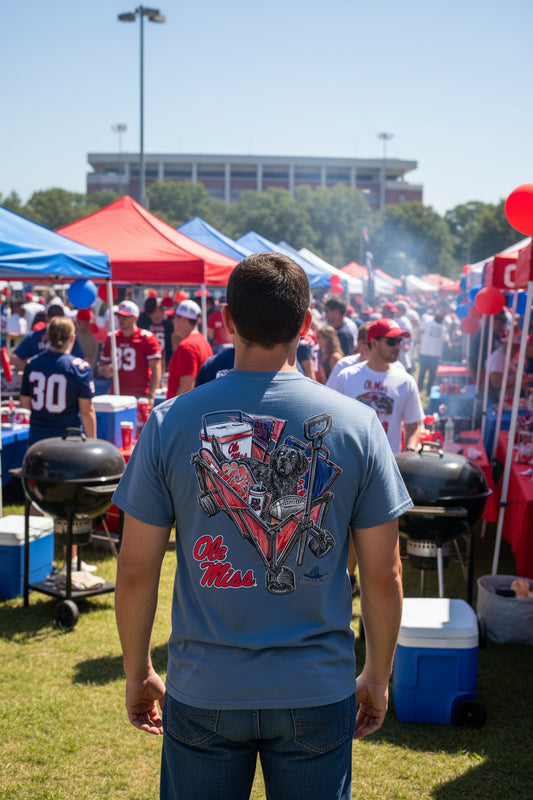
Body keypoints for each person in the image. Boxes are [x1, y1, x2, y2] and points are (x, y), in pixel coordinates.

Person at [113, 251, 411, 800]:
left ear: (227, 319)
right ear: (306, 323)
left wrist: (137, 672)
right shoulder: (360, 425)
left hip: (204, 685)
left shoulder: (168, 422)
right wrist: (376, 675)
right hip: (315, 686)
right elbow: (384, 573)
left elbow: (134, 569)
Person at [20, 316, 97, 572]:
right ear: (72, 338)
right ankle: (71, 561)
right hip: (66, 444)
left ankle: (34, 559)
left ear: (47, 337)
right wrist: (92, 443)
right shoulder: (79, 367)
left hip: (38, 441)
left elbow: (25, 404)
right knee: (67, 501)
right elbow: (87, 411)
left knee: (36, 499)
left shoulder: (33, 364)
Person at [328, 317, 424, 455]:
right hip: (352, 461)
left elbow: (413, 425)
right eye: (391, 342)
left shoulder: (406, 382)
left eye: (399, 341)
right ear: (374, 343)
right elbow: (331, 418)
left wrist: (410, 450)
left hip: (388, 463)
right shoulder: (346, 377)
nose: (397, 346)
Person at [98, 300, 162, 405]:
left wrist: (151, 395)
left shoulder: (146, 338)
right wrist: (105, 370)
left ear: (135, 318)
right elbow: (101, 366)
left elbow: (156, 369)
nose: (121, 320)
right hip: (117, 394)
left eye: (124, 317)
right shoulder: (112, 338)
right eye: (119, 317)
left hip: (140, 395)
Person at [11, 301, 85, 373]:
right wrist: (30, 369)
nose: (54, 321)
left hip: (49, 377)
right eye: (52, 317)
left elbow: (82, 359)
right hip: (55, 377)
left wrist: (31, 370)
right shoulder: (35, 336)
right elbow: (14, 358)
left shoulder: (66, 336)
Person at [166, 299, 213, 398]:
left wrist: (172, 408)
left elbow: (186, 388)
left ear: (183, 319)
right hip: (201, 403)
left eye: (174, 317)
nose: (173, 321)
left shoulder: (187, 346)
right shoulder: (203, 341)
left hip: (188, 406)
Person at [417, 308, 449, 393]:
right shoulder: (440, 326)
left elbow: (420, 330)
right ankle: (425, 389)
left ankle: (423, 389)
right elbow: (446, 340)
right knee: (428, 373)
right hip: (431, 353)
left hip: (428, 352)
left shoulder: (439, 326)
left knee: (424, 372)